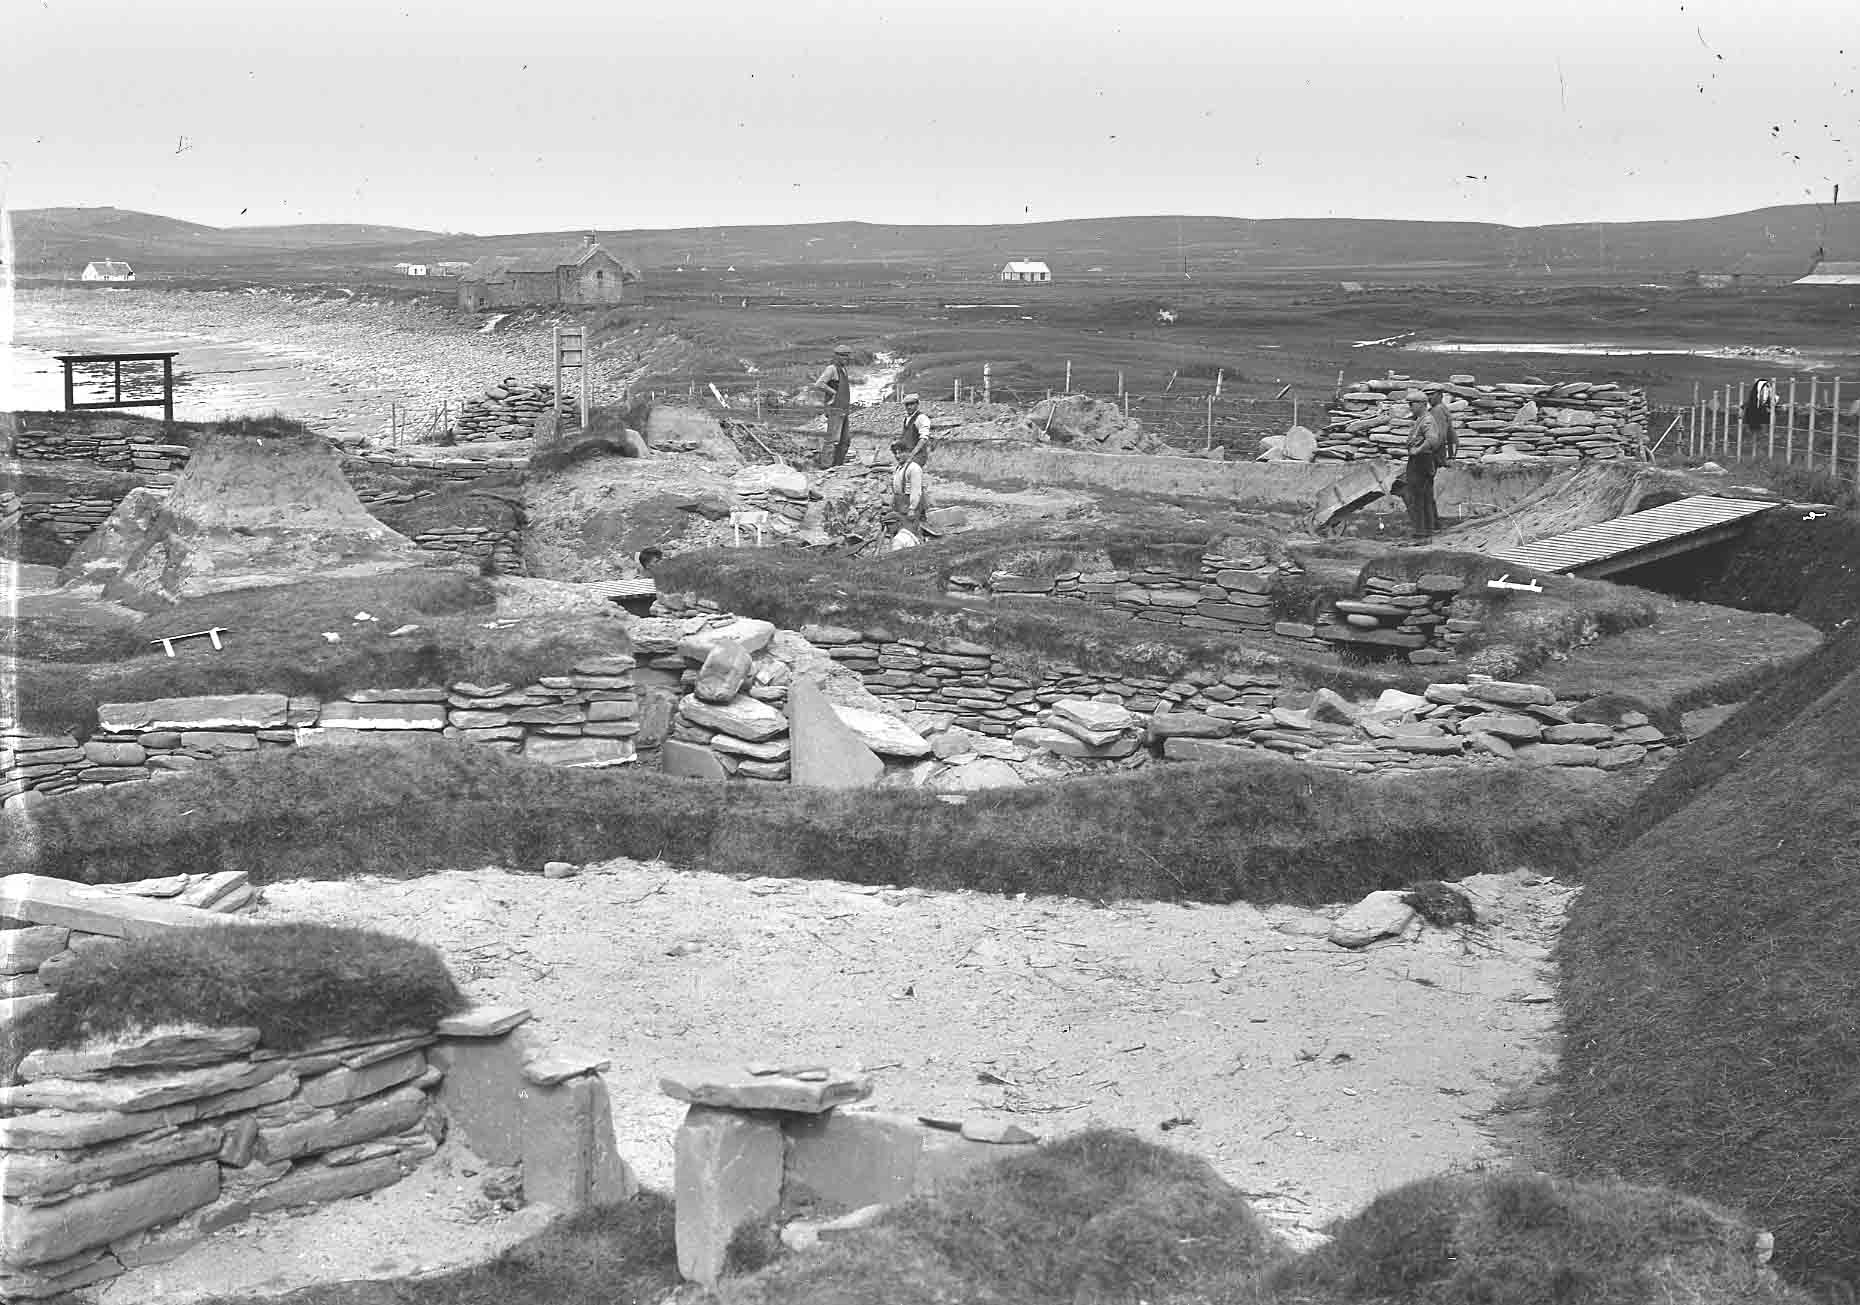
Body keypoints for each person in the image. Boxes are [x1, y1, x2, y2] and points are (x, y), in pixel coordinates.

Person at [1401, 388, 1443, 538]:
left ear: (1421, 404)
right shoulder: (1421, 419)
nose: (1410, 407)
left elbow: (1432, 440)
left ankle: (1422, 531)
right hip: (1419, 461)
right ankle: (1425, 529)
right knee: (1420, 495)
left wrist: (1417, 450)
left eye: (1412, 404)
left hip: (1422, 461)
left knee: (1419, 495)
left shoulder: (1427, 420)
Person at [813, 344, 855, 468]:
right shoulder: (832, 369)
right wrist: (834, 393)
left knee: (845, 440)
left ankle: (838, 466)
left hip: (843, 409)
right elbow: (819, 384)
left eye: (847, 356)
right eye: (843, 356)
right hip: (835, 409)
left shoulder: (843, 369)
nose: (845, 359)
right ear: (836, 356)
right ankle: (826, 466)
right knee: (831, 439)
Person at [888, 436, 926, 550]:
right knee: (900, 533)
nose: (898, 456)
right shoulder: (898, 468)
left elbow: (916, 490)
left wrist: (912, 509)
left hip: (910, 506)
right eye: (895, 453)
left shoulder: (914, 468)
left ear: (908, 452)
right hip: (900, 506)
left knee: (910, 533)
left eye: (901, 452)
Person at [900, 393, 933, 467]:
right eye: (907, 404)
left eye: (912, 404)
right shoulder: (906, 419)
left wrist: (912, 455)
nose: (909, 407)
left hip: (918, 456)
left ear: (917, 404)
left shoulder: (921, 418)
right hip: (907, 455)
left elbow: (923, 439)